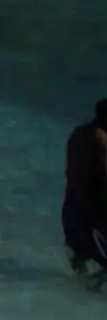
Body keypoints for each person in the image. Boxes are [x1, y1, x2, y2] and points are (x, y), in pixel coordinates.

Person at [64, 98, 107, 281]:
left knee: (81, 264)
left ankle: (78, 294)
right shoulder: (99, 139)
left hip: (74, 209)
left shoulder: (79, 133)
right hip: (91, 213)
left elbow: (72, 173)